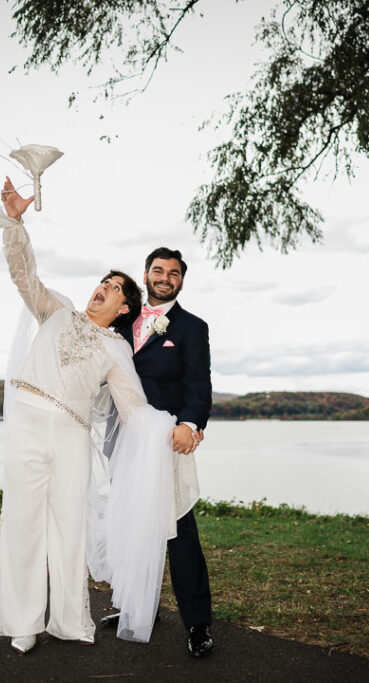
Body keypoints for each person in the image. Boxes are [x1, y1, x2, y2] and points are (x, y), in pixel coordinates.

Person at [0, 176, 178, 655]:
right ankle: (22, 620)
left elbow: (133, 409)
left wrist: (169, 428)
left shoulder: (117, 349)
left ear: (124, 308)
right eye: (104, 281)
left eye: (115, 288)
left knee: (67, 527)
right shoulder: (57, 311)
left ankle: (68, 619)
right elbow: (23, 274)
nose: (104, 288)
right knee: (23, 522)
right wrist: (14, 223)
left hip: (73, 436)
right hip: (29, 426)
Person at [103, 246, 215, 657]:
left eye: (173, 272)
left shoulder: (190, 327)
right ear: (146, 274)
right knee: (131, 523)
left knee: (179, 531)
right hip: (123, 439)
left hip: (166, 440)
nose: (165, 277)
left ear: (181, 280)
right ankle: (138, 609)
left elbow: (197, 382)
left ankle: (198, 623)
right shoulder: (124, 319)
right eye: (158, 270)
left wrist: (191, 423)